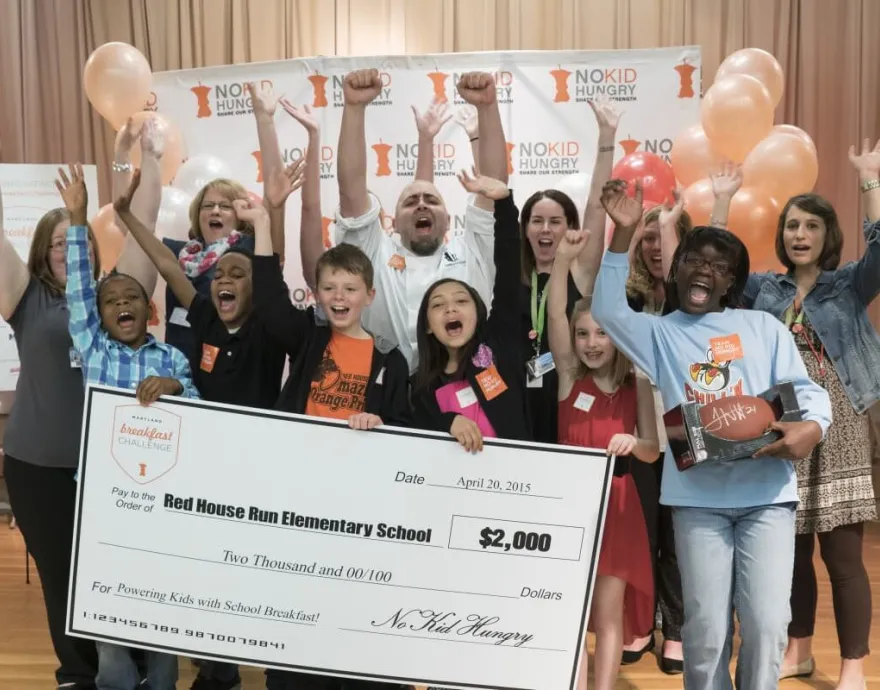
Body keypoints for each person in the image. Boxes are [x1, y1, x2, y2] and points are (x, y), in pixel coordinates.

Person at [591, 179, 831, 690]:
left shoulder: (763, 328)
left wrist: (812, 426)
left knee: (767, 626)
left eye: (720, 266)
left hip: (766, 496)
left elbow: (805, 392)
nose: (706, 269)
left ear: (731, 282)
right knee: (704, 632)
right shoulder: (659, 333)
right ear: (676, 270)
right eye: (696, 260)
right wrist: (625, 232)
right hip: (697, 501)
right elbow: (609, 311)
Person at [0, 134, 162, 690]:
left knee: (121, 570)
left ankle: (132, 670)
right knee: (62, 576)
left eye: (80, 243)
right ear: (43, 253)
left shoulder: (117, 298)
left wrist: (150, 159)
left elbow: (147, 220)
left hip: (114, 466)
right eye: (57, 244)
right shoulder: (26, 297)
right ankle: (77, 674)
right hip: (39, 466)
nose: (69, 251)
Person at [738, 140, 880, 690]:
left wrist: (870, 182)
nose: (800, 235)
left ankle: (853, 667)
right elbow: (716, 265)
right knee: (789, 552)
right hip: (780, 424)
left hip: (839, 425)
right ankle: (797, 650)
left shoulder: (847, 284)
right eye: (793, 226)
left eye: (812, 227)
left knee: (843, 557)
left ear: (827, 236)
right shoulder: (762, 289)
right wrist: (721, 207)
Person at [56, 163, 199, 690]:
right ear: (101, 315)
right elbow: (77, 294)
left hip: (161, 501)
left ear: (149, 309)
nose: (121, 305)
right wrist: (77, 219)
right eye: (111, 301)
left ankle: (161, 682)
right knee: (107, 616)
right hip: (101, 498)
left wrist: (178, 390)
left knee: (159, 613)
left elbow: (201, 411)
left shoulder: (172, 359)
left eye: (131, 298)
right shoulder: (93, 349)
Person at [327, 69, 508, 372]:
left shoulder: (471, 251)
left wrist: (487, 108)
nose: (422, 204)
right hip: (386, 398)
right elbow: (351, 191)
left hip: (464, 391)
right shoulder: (375, 253)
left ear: (449, 220)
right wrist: (354, 108)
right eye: (410, 202)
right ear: (392, 223)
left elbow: (493, 186)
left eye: (432, 200)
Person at [548, 230, 658, 690]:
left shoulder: (640, 384)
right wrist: (561, 263)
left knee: (608, 613)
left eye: (603, 333)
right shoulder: (570, 377)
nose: (592, 343)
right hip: (570, 506)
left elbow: (653, 449)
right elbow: (555, 309)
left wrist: (634, 441)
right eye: (582, 334)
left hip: (617, 506)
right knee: (571, 611)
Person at [113, 166, 303, 411]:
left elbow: (271, 267)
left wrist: (273, 211)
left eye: (236, 275)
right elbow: (168, 265)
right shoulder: (207, 318)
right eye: (218, 275)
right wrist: (126, 214)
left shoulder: (267, 326)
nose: (224, 280)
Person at [518, 99, 619, 444]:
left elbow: (596, 204)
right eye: (537, 221)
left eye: (555, 221)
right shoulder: (513, 276)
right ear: (526, 229)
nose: (546, 229)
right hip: (519, 399)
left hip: (569, 393)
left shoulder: (578, 268)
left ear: (569, 227)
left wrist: (607, 137)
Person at [411, 172, 528, 449]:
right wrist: (448, 421)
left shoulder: (498, 347)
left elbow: (509, 271)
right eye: (438, 305)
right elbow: (415, 431)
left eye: (461, 301)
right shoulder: (420, 385)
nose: (450, 308)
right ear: (427, 324)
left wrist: (504, 204)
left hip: (512, 483)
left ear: (479, 313)